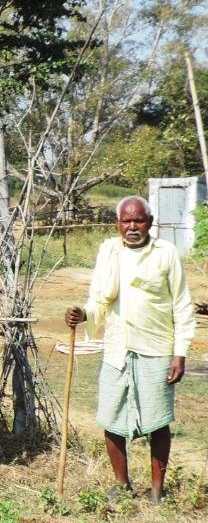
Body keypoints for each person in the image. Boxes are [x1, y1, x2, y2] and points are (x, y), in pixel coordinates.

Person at [64, 196, 195, 504]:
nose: (132, 227)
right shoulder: (109, 252)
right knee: (110, 419)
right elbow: (98, 299)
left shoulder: (166, 254)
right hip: (116, 349)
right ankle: (121, 484)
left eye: (138, 221)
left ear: (150, 223)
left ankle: (157, 490)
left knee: (158, 422)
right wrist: (83, 313)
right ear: (117, 224)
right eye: (126, 221)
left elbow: (182, 305)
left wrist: (180, 353)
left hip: (156, 348)